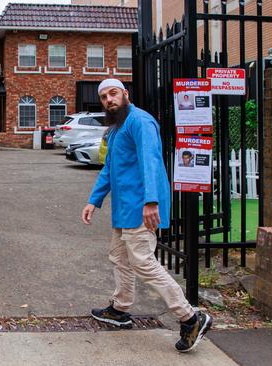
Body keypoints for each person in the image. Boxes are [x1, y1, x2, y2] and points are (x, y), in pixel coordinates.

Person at [82, 78, 212, 353]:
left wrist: (151, 201)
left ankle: (190, 317)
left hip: (142, 206)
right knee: (119, 257)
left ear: (125, 94)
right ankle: (120, 309)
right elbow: (110, 169)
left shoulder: (140, 122)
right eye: (104, 97)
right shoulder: (117, 128)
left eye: (113, 93)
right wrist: (94, 200)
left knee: (143, 262)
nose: (109, 100)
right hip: (125, 208)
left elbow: (151, 161)